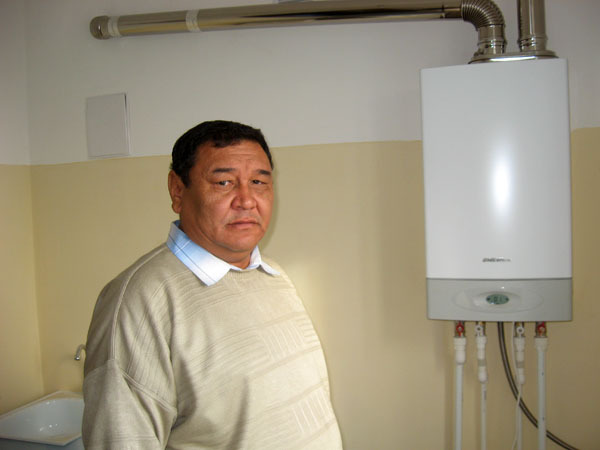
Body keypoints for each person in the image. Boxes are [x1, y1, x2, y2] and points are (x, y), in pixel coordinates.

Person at [82, 120, 343, 449]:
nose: (246, 200)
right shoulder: (140, 300)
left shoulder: (274, 276)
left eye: (259, 182)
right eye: (224, 182)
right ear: (178, 191)